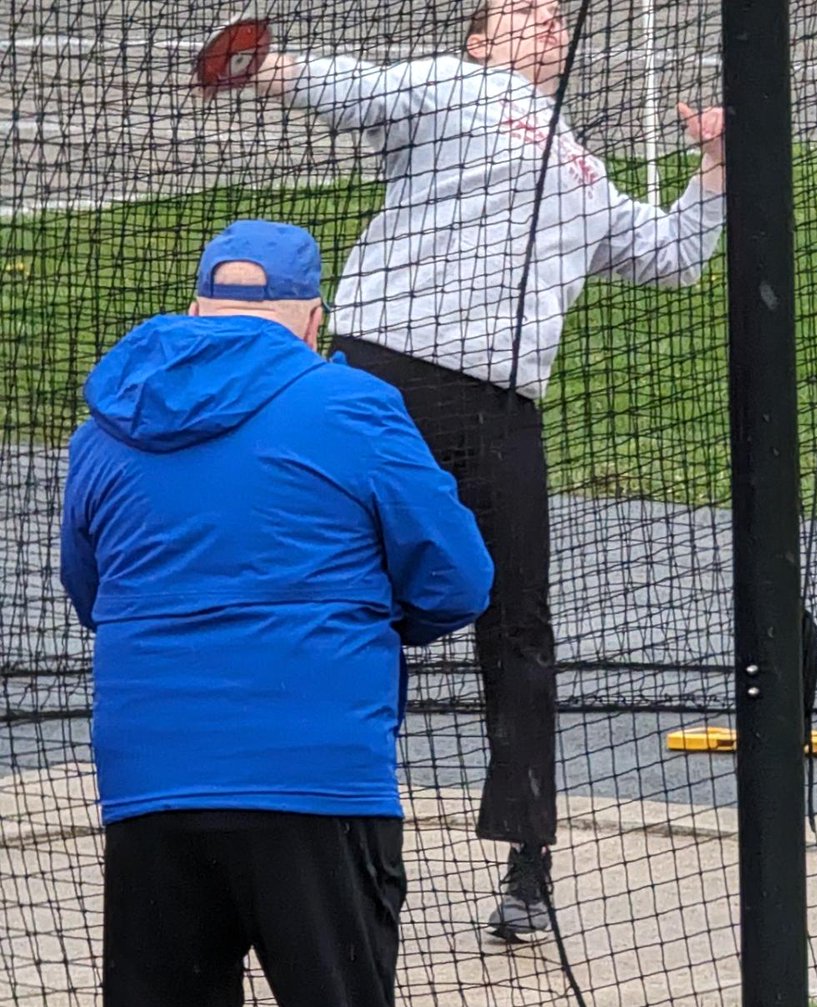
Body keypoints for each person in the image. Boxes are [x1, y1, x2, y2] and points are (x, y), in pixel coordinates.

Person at [204, 0, 727, 941]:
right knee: (342, 599)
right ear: (480, 40)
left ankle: (529, 867)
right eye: (522, 11)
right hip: (386, 380)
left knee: (519, 623)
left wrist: (717, 168)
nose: (548, 23)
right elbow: (353, 89)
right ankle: (315, 821)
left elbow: (674, 255)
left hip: (501, 410)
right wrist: (263, 67)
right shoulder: (455, 87)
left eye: (557, 16)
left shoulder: (583, 166)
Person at [59, 219, 493, 1007]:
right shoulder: (350, 403)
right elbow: (459, 578)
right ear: (311, 315)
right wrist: (372, 626)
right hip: (316, 776)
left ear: (199, 303)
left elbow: (92, 593)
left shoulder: (109, 420)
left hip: (154, 782)